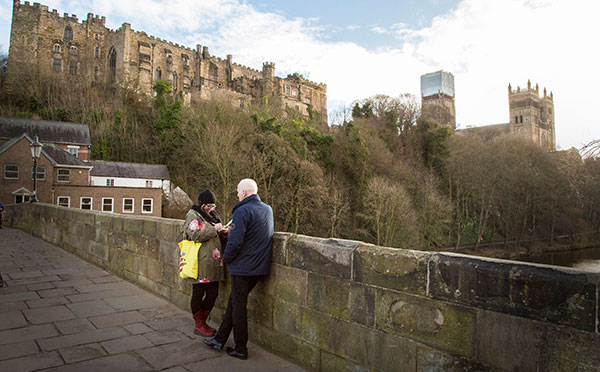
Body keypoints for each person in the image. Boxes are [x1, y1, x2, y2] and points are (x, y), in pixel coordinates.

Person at [203, 178, 273, 360]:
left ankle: (241, 348)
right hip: (260, 267)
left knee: (239, 307)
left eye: (237, 191)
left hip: (243, 268)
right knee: (234, 302)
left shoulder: (242, 211)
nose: (236, 194)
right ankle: (219, 340)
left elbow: (235, 242)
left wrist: (226, 259)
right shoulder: (267, 209)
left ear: (244, 193)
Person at [181, 189, 227, 337]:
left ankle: (203, 322)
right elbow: (194, 235)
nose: (211, 208)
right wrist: (215, 229)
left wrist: (224, 232)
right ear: (201, 203)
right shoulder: (193, 215)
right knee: (198, 292)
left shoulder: (213, 216)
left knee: (213, 293)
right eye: (208, 205)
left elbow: (216, 234)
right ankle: (199, 324)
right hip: (199, 261)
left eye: (213, 206)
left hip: (214, 262)